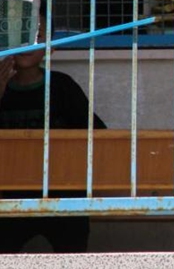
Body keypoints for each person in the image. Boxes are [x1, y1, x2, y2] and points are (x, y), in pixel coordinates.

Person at [0, 21, 106, 253]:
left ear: (51, 46)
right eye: (20, 33)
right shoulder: (3, 88)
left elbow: (98, 135)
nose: (27, 44)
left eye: (36, 35)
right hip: (8, 195)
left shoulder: (62, 87)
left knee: (72, 249)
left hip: (63, 193)